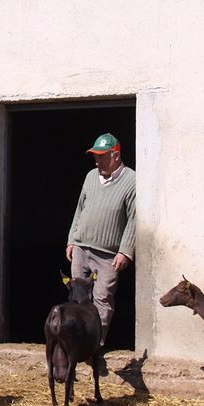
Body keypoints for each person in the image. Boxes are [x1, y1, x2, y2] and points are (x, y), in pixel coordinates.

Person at [65, 133, 136, 348]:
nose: (97, 161)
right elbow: (80, 209)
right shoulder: (90, 176)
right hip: (81, 247)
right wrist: (72, 239)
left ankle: (95, 344)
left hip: (108, 254)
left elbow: (134, 218)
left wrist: (125, 251)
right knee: (78, 296)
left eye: (101, 156)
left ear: (115, 155)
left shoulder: (131, 181)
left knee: (102, 297)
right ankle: (76, 342)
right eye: (95, 156)